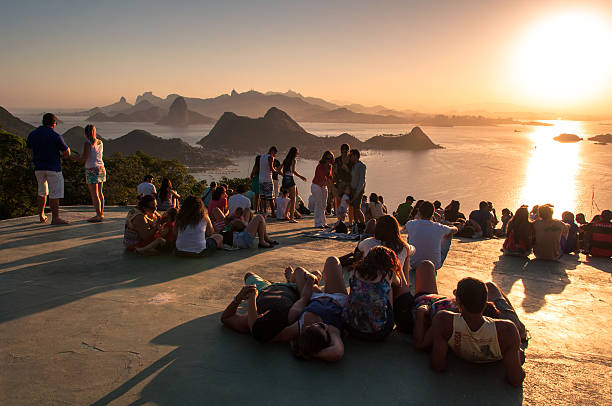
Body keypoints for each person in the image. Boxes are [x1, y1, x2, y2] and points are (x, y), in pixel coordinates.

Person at [429, 277, 525, 387]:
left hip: (468, 322)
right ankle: (521, 328)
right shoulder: (507, 330)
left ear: (458, 300)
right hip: (500, 327)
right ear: (486, 302)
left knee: (488, 287)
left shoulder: (443, 320)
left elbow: (438, 365)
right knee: (492, 287)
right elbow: (516, 380)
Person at [220, 271, 300, 343]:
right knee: (303, 274)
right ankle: (290, 278)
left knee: (249, 275)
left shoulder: (253, 319)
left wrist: (239, 298)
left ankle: (270, 282)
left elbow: (226, 318)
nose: (259, 315)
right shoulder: (291, 316)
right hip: (291, 287)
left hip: (263, 289)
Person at [343, 246, 398, 341]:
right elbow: (399, 283)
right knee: (389, 288)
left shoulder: (356, 271)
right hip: (378, 333)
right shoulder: (388, 274)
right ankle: (389, 316)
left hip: (351, 327)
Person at [26, 113, 72, 225]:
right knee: (54, 194)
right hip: (53, 168)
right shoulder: (55, 136)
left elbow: (29, 150)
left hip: (38, 168)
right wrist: (62, 155)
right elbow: (67, 152)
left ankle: (41, 215)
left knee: (41, 192)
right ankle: (55, 218)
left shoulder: (33, 134)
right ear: (54, 123)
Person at [405, 201, 458, 270]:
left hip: (414, 264)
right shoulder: (438, 227)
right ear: (432, 214)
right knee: (448, 234)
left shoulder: (410, 224)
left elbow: (418, 223)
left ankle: (414, 255)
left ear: (419, 212)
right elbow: (455, 230)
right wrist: (451, 226)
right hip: (433, 265)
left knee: (411, 233)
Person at [75, 124, 106, 222]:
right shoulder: (100, 142)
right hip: (101, 167)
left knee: (94, 194)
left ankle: (98, 215)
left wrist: (71, 157)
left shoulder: (88, 143)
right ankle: (101, 213)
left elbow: (84, 159)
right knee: (100, 193)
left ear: (85, 133)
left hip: (91, 169)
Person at [281, 147, 307, 223]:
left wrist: (284, 175)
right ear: (295, 153)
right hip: (290, 179)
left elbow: (278, 170)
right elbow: (293, 171)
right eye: (297, 153)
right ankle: (292, 218)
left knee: (289, 198)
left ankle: (286, 215)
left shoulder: (285, 160)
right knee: (293, 199)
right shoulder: (293, 160)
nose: (298, 154)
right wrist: (301, 177)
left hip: (285, 179)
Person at [311, 151, 334, 228]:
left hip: (323, 187)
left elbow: (330, 177)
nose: (328, 160)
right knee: (319, 204)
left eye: (330, 158)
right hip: (316, 186)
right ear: (324, 158)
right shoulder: (320, 166)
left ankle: (323, 223)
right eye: (327, 158)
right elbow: (324, 177)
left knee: (324, 205)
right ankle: (318, 223)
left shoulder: (330, 166)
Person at [333, 143, 353, 224]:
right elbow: (334, 174)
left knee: (350, 204)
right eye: (342, 152)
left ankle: (351, 222)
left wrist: (347, 169)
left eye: (346, 152)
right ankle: (339, 221)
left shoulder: (352, 161)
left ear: (349, 151)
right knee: (338, 202)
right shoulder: (337, 160)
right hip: (339, 184)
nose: (344, 153)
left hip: (349, 184)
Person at [259, 146, 278, 216]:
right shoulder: (270, 157)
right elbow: (271, 168)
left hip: (260, 180)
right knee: (270, 198)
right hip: (267, 179)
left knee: (263, 197)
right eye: (275, 154)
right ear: (272, 151)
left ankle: (264, 212)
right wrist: (276, 170)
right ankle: (273, 213)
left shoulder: (261, 157)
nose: (275, 156)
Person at [349, 149, 367, 226]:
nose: (350, 157)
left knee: (357, 208)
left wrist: (357, 192)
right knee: (353, 208)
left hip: (358, 190)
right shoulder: (352, 165)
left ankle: (363, 224)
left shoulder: (361, 166)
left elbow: (362, 180)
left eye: (351, 156)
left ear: (356, 156)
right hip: (352, 190)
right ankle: (356, 223)